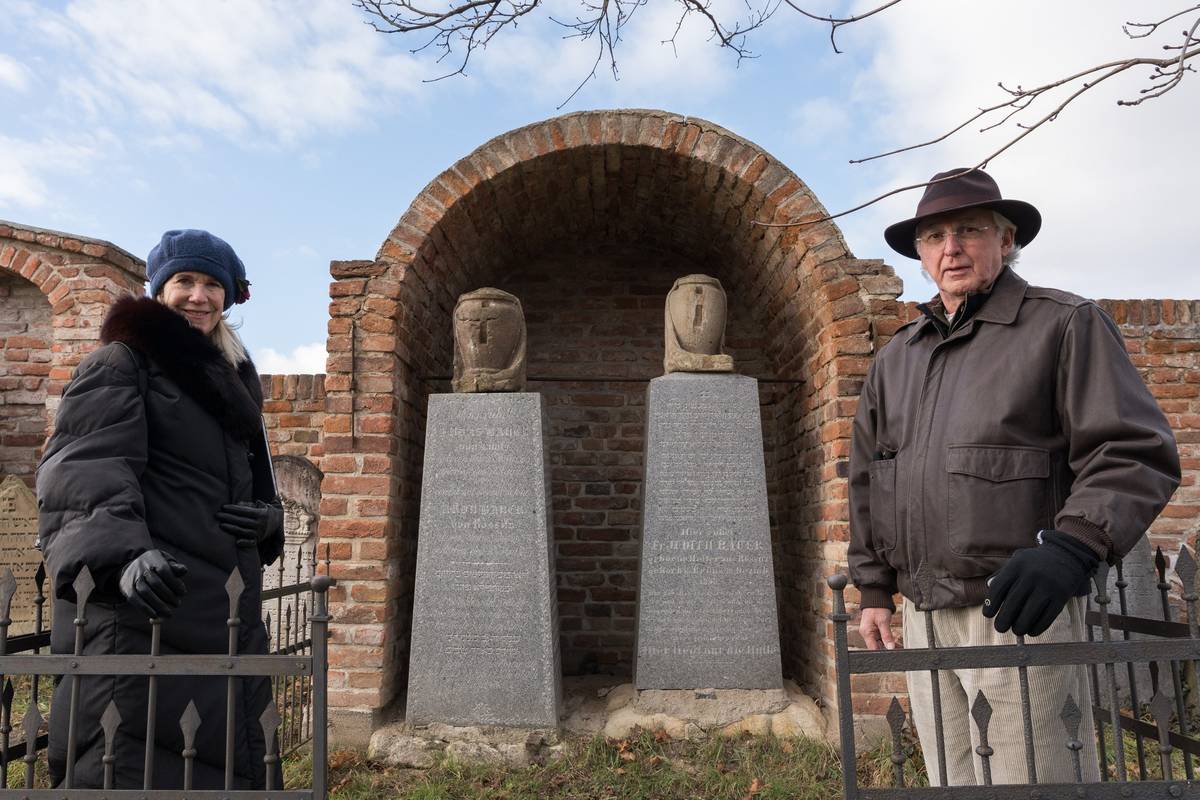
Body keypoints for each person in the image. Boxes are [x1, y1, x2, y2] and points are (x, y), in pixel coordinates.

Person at [848, 168, 1180, 785]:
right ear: (919, 253)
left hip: (1018, 612)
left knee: (1031, 782)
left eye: (969, 230)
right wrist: (872, 589)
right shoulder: (897, 357)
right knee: (950, 782)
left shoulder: (1064, 324)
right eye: (935, 235)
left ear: (1005, 240)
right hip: (922, 614)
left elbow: (1133, 449)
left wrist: (1075, 546)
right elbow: (871, 477)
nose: (951, 248)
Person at [37, 229, 284, 789]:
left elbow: (251, 482)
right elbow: (84, 472)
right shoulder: (123, 363)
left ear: (228, 297)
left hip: (220, 611)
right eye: (184, 281)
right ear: (158, 290)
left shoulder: (230, 378)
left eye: (212, 285)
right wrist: (123, 558)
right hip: (144, 610)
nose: (199, 296)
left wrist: (271, 519)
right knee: (132, 769)